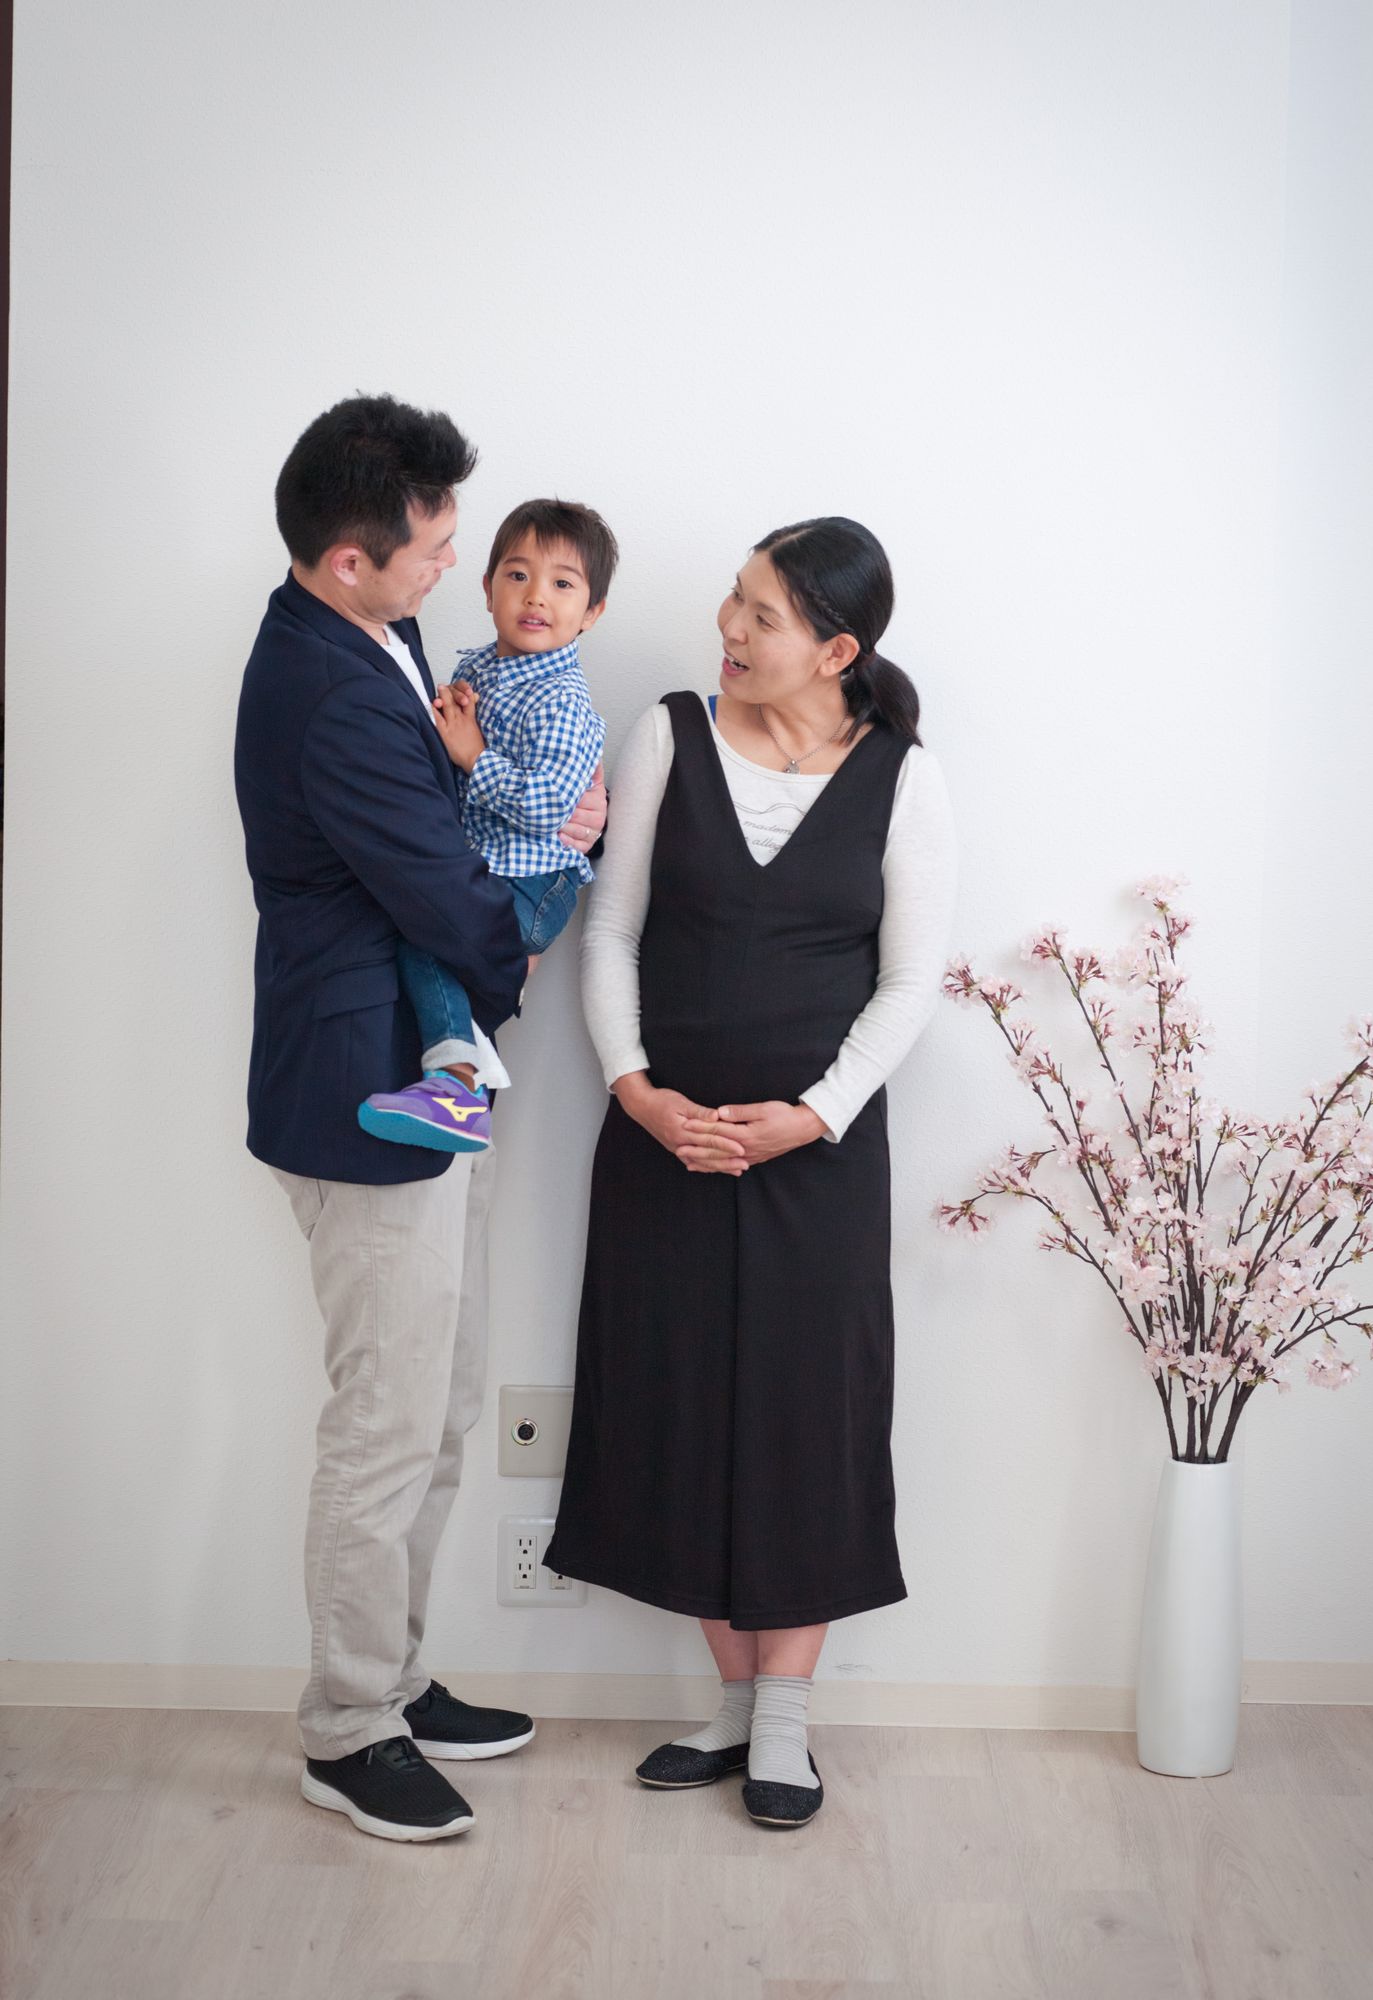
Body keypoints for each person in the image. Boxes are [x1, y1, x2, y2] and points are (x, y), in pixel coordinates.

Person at [543, 516, 956, 1829]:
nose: (728, 626)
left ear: (836, 650)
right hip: (663, 1147)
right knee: (677, 1404)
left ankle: (784, 1717)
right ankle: (729, 1705)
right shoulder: (669, 735)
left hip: (816, 1167)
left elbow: (912, 981)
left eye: (761, 614)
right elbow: (609, 930)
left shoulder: (902, 779)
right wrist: (636, 1090)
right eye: (734, 597)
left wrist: (814, 1115)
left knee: (806, 1417)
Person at [234, 394, 606, 1842]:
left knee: (441, 1401)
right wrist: (539, 915)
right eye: (437, 547)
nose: (458, 566)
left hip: (430, 1080)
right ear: (350, 559)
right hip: (365, 1092)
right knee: (386, 1425)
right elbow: (440, 893)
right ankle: (346, 1728)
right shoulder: (329, 687)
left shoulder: (372, 634)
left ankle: (392, 1676)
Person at [358, 498, 615, 1154]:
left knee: (429, 938)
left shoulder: (562, 700)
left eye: (563, 584)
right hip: (488, 867)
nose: (536, 595)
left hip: (534, 881)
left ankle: (456, 1084)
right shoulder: (477, 668)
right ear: (487, 587)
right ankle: (464, 1074)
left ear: (592, 612)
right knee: (428, 939)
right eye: (518, 574)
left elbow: (548, 807)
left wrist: (473, 754)